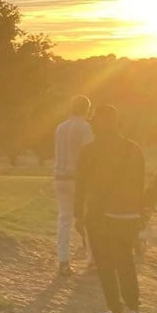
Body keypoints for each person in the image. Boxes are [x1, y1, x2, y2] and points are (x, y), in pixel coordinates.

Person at [74, 104, 147, 313]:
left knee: (105, 263)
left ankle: (115, 312)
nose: (92, 125)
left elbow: (81, 186)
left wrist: (79, 215)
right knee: (126, 261)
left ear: (98, 123)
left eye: (93, 121)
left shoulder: (90, 150)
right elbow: (141, 184)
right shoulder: (134, 148)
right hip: (130, 215)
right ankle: (134, 310)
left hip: (101, 215)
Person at [53, 95, 94, 278]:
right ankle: (92, 259)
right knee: (89, 218)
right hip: (78, 179)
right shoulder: (85, 127)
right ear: (87, 109)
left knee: (64, 219)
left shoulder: (60, 127)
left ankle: (63, 261)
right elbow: (89, 155)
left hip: (60, 177)